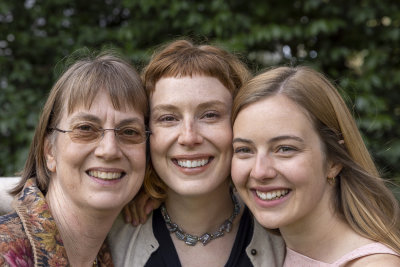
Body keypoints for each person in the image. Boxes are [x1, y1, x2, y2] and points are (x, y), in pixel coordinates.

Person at [108, 39, 285, 267]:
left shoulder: (284, 234)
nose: (189, 137)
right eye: (169, 118)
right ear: (146, 132)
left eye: (209, 115)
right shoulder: (110, 235)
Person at [230, 66, 400, 266]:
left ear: (333, 161)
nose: (260, 171)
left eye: (285, 149)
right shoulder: (266, 253)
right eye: (244, 150)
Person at [0, 51, 148, 266]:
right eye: (85, 128)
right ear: (49, 150)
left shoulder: (105, 256)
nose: (109, 150)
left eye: (129, 132)